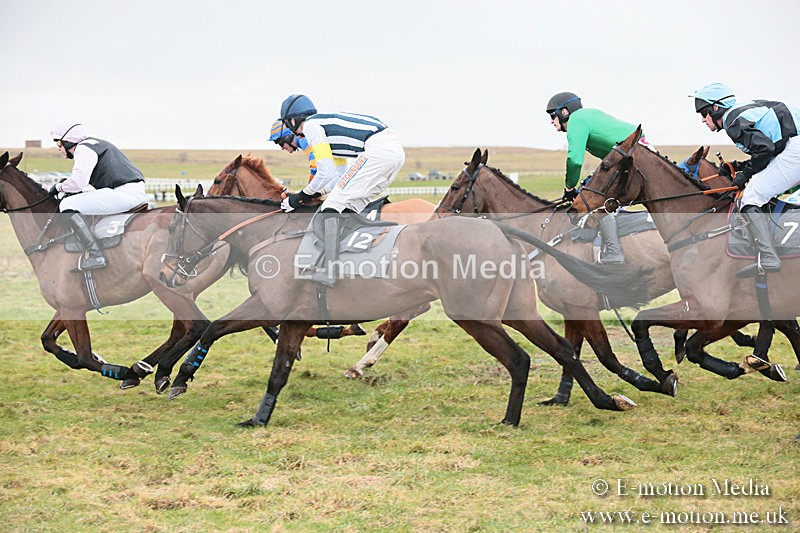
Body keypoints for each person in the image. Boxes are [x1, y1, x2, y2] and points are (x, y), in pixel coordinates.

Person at [277, 94, 405, 286]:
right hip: (393, 153)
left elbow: (324, 172)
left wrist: (300, 196)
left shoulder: (311, 126)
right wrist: (316, 193)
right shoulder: (324, 126)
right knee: (347, 207)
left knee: (332, 207)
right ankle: (353, 261)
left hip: (378, 151)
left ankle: (329, 270)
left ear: (293, 120)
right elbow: (337, 177)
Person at [692, 83, 800, 277]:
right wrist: (739, 166)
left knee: (750, 197)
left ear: (715, 108)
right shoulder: (743, 111)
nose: (702, 120)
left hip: (794, 151)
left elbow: (765, 150)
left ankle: (768, 257)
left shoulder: (732, 121)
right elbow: (770, 148)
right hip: (791, 148)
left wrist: (744, 175)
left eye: (703, 113)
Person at [546, 92, 648, 264]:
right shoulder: (586, 116)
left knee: (596, 200)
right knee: (594, 190)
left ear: (564, 112)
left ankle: (614, 251)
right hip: (634, 152)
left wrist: (569, 188)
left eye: (552, 116)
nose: (551, 121)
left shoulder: (576, 121)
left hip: (633, 156)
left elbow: (575, 160)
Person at [49, 122, 148, 271]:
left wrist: (58, 187)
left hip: (123, 194)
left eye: (59, 144)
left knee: (66, 204)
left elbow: (78, 182)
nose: (59, 149)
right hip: (129, 191)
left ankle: (95, 255)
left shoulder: (83, 149)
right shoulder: (96, 143)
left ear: (68, 142)